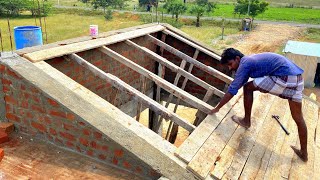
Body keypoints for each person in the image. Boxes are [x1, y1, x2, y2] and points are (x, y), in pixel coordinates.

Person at [210, 48, 308, 162]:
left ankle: (246, 121)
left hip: (284, 77)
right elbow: (238, 83)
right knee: (298, 117)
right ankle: (304, 153)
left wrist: (217, 108)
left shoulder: (244, 63)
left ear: (237, 58)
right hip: (298, 78)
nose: (230, 68)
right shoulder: (250, 60)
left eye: (230, 64)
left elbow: (233, 89)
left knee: (247, 88)